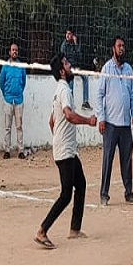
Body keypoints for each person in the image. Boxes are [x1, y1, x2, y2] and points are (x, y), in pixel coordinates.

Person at [33, 53, 98, 248]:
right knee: (66, 194)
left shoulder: (59, 90)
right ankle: (42, 230)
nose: (70, 66)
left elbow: (51, 121)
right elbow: (68, 115)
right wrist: (88, 121)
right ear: (62, 71)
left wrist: (58, 138)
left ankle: (74, 230)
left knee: (81, 184)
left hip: (67, 149)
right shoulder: (64, 90)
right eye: (67, 64)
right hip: (65, 150)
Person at [96, 35, 133, 206]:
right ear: (113, 48)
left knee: (127, 160)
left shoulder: (128, 69)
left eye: (123, 46)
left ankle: (129, 193)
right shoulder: (106, 68)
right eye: (119, 46)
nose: (122, 49)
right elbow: (99, 95)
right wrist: (101, 118)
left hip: (125, 124)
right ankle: (104, 194)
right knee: (108, 159)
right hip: (110, 124)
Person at [0, 41, 27, 159]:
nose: (15, 51)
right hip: (8, 100)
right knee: (7, 127)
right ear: (9, 52)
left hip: (19, 100)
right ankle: (7, 150)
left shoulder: (21, 67)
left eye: (16, 50)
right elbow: (1, 83)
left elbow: (23, 82)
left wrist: (19, 92)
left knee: (19, 126)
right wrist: (6, 94)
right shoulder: (5, 66)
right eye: (13, 50)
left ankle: (21, 150)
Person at [60, 28, 90, 109]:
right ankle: (71, 102)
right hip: (69, 67)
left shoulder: (75, 44)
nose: (67, 35)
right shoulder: (64, 45)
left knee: (85, 77)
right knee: (71, 80)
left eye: (69, 34)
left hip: (76, 66)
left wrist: (76, 43)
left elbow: (79, 57)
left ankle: (85, 102)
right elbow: (62, 58)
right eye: (66, 33)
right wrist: (67, 65)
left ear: (73, 35)